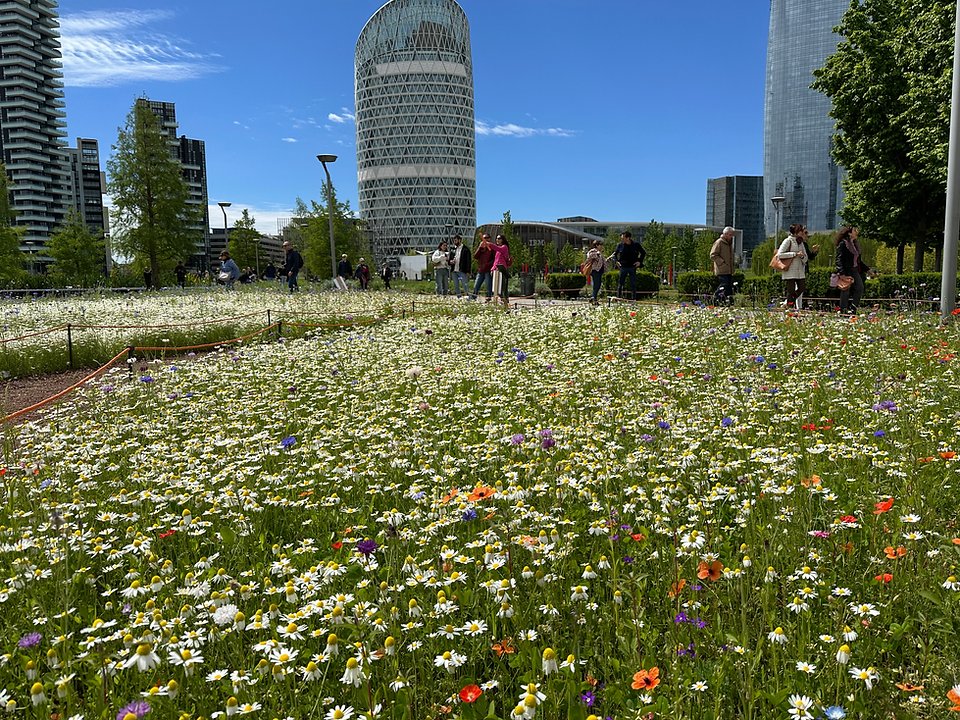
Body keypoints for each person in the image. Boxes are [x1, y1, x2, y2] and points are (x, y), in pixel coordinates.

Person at [777, 224, 818, 309]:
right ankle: (790, 307)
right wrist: (795, 254)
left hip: (800, 270)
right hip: (790, 270)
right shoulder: (788, 241)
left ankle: (788, 303)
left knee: (802, 288)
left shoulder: (801, 243)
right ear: (796, 232)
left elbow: (806, 258)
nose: (803, 233)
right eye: (801, 231)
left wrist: (802, 256)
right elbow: (780, 255)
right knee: (791, 290)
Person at [835, 226, 868, 314]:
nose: (856, 232)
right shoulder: (843, 244)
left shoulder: (855, 245)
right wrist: (841, 273)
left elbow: (858, 261)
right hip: (846, 270)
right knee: (845, 289)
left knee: (860, 288)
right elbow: (839, 259)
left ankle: (853, 308)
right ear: (849, 233)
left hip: (854, 270)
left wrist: (868, 269)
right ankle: (843, 310)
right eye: (854, 230)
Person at [613, 231, 645, 300]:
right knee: (620, 283)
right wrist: (616, 262)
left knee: (633, 284)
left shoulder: (636, 245)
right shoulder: (620, 245)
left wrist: (639, 262)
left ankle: (633, 299)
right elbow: (615, 255)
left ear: (628, 238)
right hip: (623, 267)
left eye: (623, 238)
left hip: (632, 267)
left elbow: (643, 253)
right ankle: (619, 298)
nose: (621, 239)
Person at [710, 226, 736, 305]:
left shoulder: (729, 243)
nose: (731, 236)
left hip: (729, 270)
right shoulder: (719, 242)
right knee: (724, 285)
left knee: (729, 287)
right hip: (722, 270)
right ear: (725, 234)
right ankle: (715, 300)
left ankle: (727, 302)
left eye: (732, 235)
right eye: (730, 234)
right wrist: (722, 262)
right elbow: (713, 255)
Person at [490, 234, 512, 305]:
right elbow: (496, 260)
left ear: (503, 240)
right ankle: (498, 301)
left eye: (499, 238)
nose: (497, 240)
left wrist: (489, 244)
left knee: (502, 286)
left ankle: (504, 301)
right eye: (497, 238)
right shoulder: (498, 250)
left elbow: (498, 249)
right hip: (496, 269)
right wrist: (492, 268)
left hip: (501, 269)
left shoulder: (504, 247)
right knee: (496, 287)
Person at [472, 233, 495, 301]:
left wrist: (488, 265)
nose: (485, 240)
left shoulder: (492, 248)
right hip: (481, 270)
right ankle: (473, 297)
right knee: (476, 285)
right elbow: (475, 256)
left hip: (488, 270)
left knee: (488, 285)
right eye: (484, 238)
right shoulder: (481, 248)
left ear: (489, 239)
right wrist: (480, 247)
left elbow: (494, 259)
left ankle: (488, 298)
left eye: (487, 238)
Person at [585, 240, 606, 304]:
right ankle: (594, 299)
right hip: (595, 270)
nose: (602, 246)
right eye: (600, 245)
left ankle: (593, 298)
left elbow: (602, 261)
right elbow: (589, 257)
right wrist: (597, 254)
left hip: (599, 271)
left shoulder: (600, 252)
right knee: (596, 285)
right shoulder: (593, 251)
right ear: (596, 245)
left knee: (598, 285)